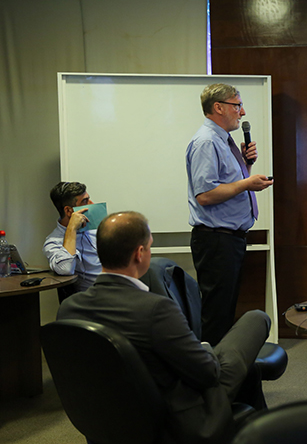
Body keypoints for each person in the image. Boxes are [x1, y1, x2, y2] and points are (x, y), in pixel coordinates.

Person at [58, 211, 270, 444]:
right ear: (140, 254)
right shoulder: (155, 309)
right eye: (149, 247)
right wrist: (205, 349)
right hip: (177, 422)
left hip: (109, 420)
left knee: (247, 368)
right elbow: (208, 374)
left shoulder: (69, 309)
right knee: (256, 319)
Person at [186, 83, 273, 345]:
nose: (243, 112)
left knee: (224, 313)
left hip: (228, 238)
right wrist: (247, 183)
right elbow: (206, 195)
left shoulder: (224, 140)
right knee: (216, 317)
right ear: (218, 107)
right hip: (216, 240)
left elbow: (224, 183)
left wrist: (245, 164)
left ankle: (223, 374)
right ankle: (213, 378)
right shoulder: (207, 142)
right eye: (237, 105)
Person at [43, 181, 101, 296]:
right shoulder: (53, 242)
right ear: (69, 211)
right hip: (93, 298)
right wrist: (72, 229)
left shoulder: (95, 228)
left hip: (118, 288)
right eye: (85, 201)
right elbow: (65, 268)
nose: (92, 203)